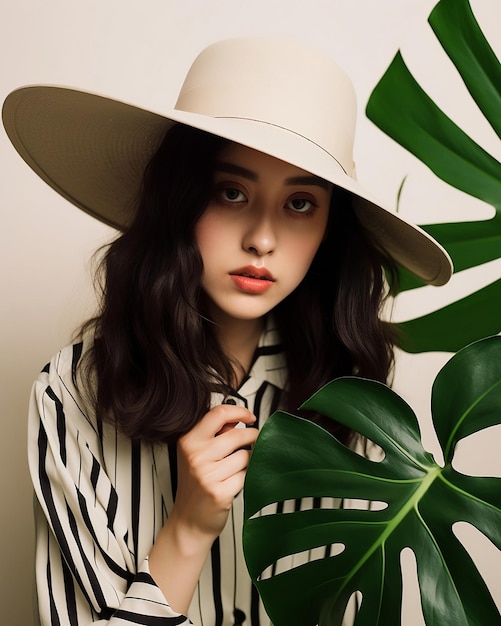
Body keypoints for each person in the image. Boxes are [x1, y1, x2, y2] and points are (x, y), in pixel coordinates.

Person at [2, 37, 452, 626]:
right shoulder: (72, 393)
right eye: (232, 192)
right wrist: (188, 528)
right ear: (181, 199)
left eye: (300, 204)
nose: (262, 238)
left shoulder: (353, 396)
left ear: (328, 230)